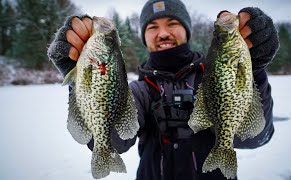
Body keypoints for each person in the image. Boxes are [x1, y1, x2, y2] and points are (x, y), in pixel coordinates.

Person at [47, 0, 279, 179]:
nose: (163, 33)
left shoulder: (215, 78)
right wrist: (79, 80)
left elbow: (254, 137)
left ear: (187, 30)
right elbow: (116, 140)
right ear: (144, 36)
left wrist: (253, 72)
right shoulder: (138, 91)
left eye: (172, 23)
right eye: (153, 26)